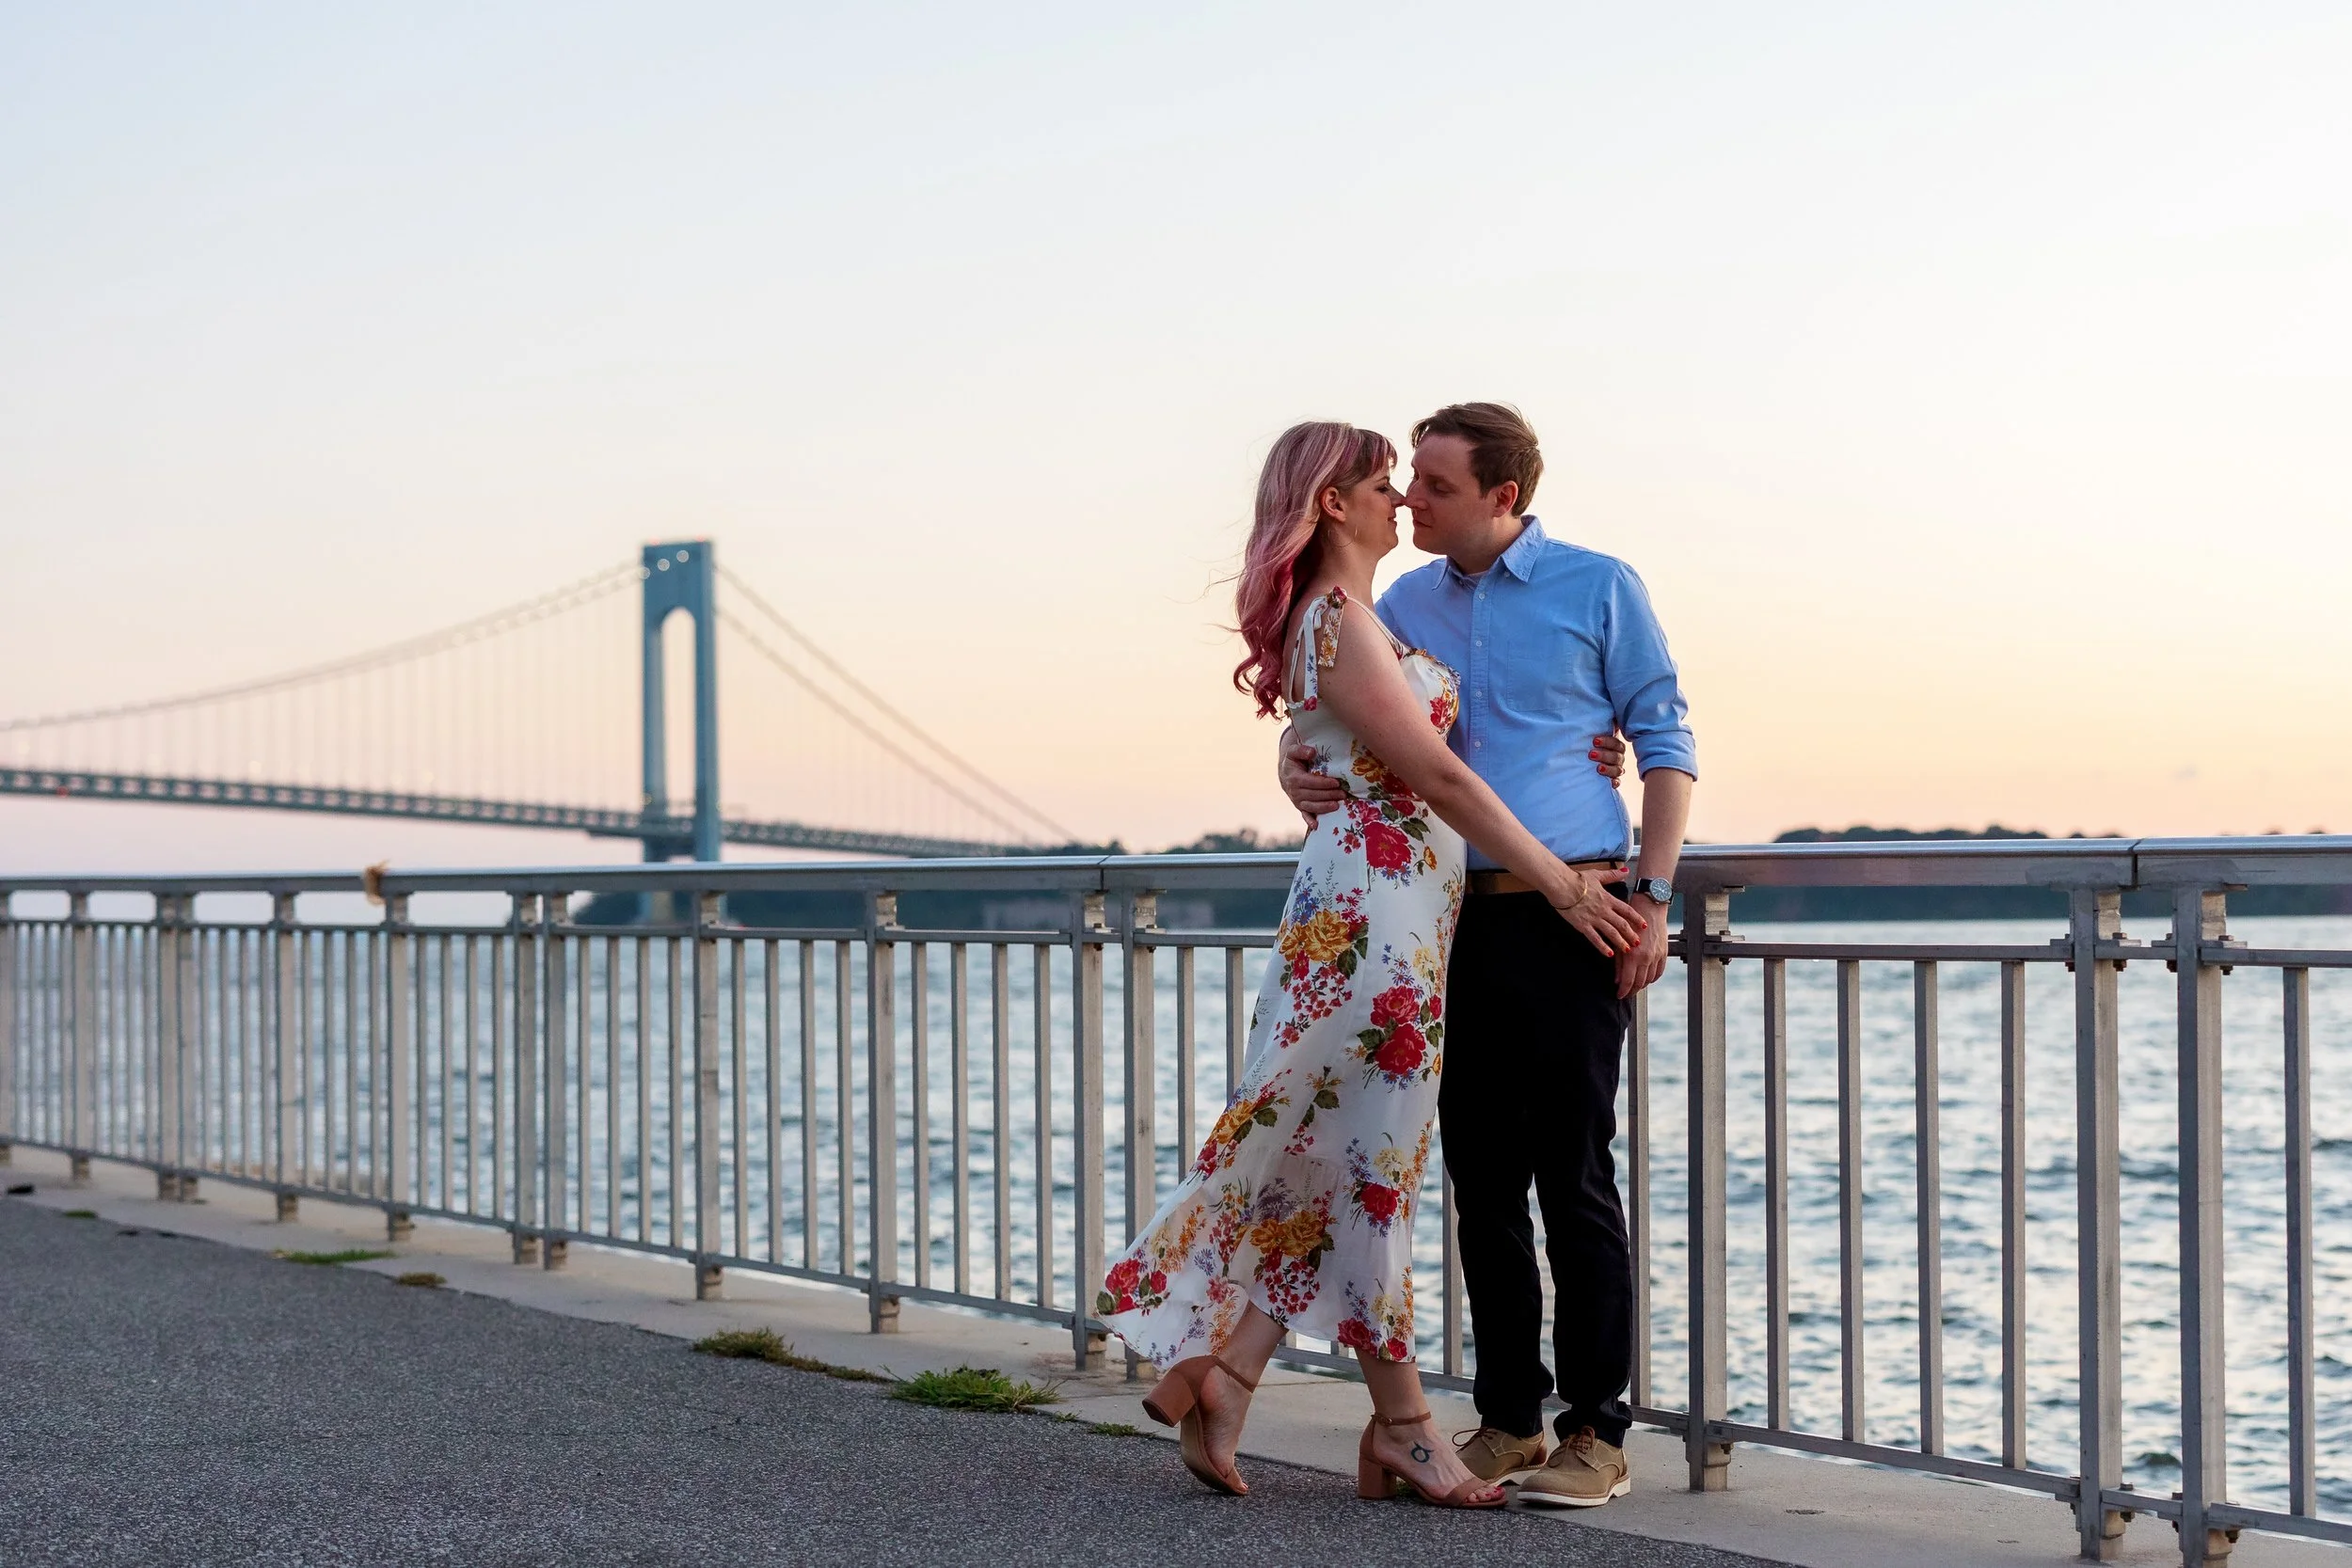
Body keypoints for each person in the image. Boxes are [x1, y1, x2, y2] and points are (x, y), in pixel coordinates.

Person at [1098, 420, 1647, 1509]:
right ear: (1335, 505)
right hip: (1375, 918)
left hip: (1387, 912)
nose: (1403, 500)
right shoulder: (1343, 617)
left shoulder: (1350, 618)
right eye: (1385, 484)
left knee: (1327, 1149)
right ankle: (1396, 1421)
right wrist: (1567, 882)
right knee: (1366, 1164)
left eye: (1417, 483)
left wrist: (1589, 738)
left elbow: (1370, 735)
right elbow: (1437, 776)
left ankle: (1226, 1373)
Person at [1278, 403, 1695, 1509]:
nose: (1411, 498)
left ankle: (1596, 1427)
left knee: (1574, 1169)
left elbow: (1665, 740)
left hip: (1577, 909)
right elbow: (1350, 700)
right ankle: (1508, 1415)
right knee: (1476, 1176)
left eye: (1436, 484)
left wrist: (1650, 897)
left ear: (1502, 497)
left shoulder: (1599, 582)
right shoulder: (1403, 599)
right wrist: (1293, 756)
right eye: (1407, 480)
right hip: (1447, 913)